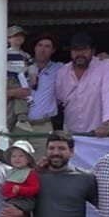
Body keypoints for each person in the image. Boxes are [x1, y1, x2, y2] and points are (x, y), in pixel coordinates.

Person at [54, 32, 109, 137]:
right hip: (72, 135)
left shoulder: (106, 65)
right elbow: (58, 100)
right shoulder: (63, 72)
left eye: (84, 50)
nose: (80, 54)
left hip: (101, 134)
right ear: (71, 52)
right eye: (76, 50)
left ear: (93, 51)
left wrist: (107, 123)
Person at [23, 33, 65, 161]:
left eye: (47, 46)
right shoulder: (21, 66)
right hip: (20, 124)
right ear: (34, 48)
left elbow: (82, 65)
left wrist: (101, 58)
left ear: (52, 50)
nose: (42, 49)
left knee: (42, 162)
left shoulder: (60, 68)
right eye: (40, 45)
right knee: (17, 162)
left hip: (43, 124)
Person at [0, 141, 39, 217]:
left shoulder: (30, 172)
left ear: (28, 159)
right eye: (14, 156)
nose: (17, 159)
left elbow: (35, 189)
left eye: (21, 156)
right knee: (5, 215)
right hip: (13, 199)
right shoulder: (11, 171)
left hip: (24, 200)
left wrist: (20, 189)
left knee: (8, 216)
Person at [5, 25, 37, 133]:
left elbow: (31, 66)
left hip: (21, 79)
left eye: (21, 36)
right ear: (8, 39)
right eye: (15, 36)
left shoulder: (25, 55)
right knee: (13, 101)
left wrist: (33, 77)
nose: (18, 38)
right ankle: (9, 125)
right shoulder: (5, 53)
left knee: (22, 97)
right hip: (10, 79)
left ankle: (22, 118)